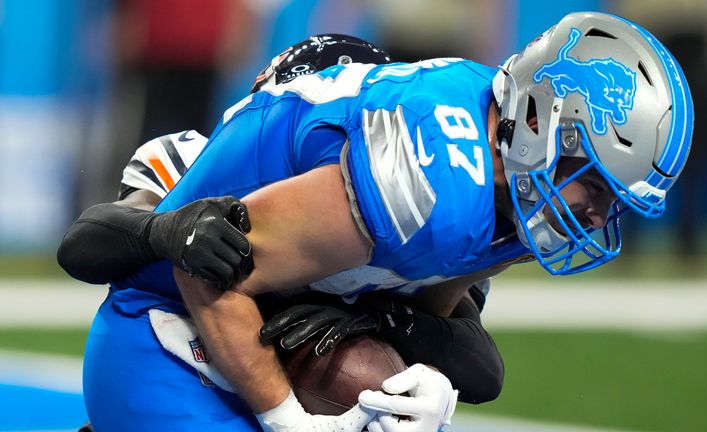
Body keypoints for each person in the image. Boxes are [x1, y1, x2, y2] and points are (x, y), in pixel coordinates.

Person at [75, 12, 693, 432]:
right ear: (536, 122)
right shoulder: (429, 180)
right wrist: (292, 420)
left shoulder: (508, 188)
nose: (596, 214)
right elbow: (199, 274)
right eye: (595, 184)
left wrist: (425, 384)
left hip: (256, 325)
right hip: (171, 332)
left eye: (614, 200)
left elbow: (467, 356)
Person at [60, 33, 502, 430]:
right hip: (201, 369)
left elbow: (482, 371)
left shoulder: (404, 208)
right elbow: (82, 245)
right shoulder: (194, 162)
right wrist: (165, 231)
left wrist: (386, 318)